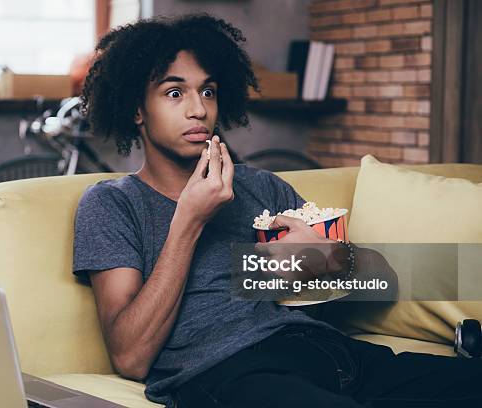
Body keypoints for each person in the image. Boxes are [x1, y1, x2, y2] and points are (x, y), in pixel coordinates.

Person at [73, 13, 482, 408]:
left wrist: (325, 258)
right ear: (137, 110)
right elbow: (130, 356)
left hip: (326, 351)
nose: (199, 109)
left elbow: (383, 281)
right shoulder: (113, 203)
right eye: (174, 92)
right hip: (230, 372)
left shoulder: (260, 186)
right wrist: (188, 220)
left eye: (209, 91)